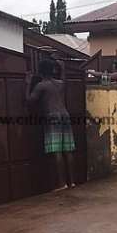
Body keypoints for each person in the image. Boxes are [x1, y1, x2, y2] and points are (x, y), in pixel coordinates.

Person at [26, 57, 76, 189]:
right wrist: (62, 68)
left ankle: (62, 184)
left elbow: (30, 101)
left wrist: (27, 83)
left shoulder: (41, 85)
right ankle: (72, 182)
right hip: (65, 115)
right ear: (53, 71)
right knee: (68, 150)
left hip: (52, 116)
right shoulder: (59, 83)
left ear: (40, 71)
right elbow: (64, 79)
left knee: (57, 151)